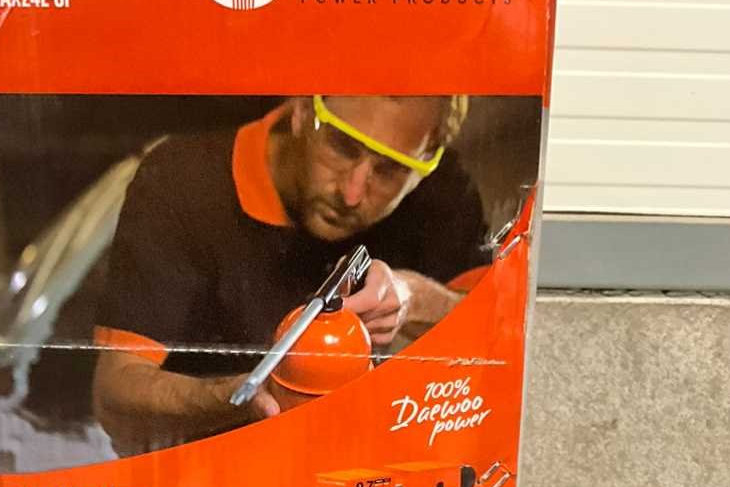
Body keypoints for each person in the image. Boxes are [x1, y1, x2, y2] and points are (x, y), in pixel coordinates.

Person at [91, 95, 489, 454]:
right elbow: (114, 393)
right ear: (300, 109)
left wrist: (412, 297)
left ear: (425, 164)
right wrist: (241, 396)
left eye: (388, 171)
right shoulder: (185, 181)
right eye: (342, 146)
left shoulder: (442, 190)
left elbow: (503, 332)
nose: (351, 194)